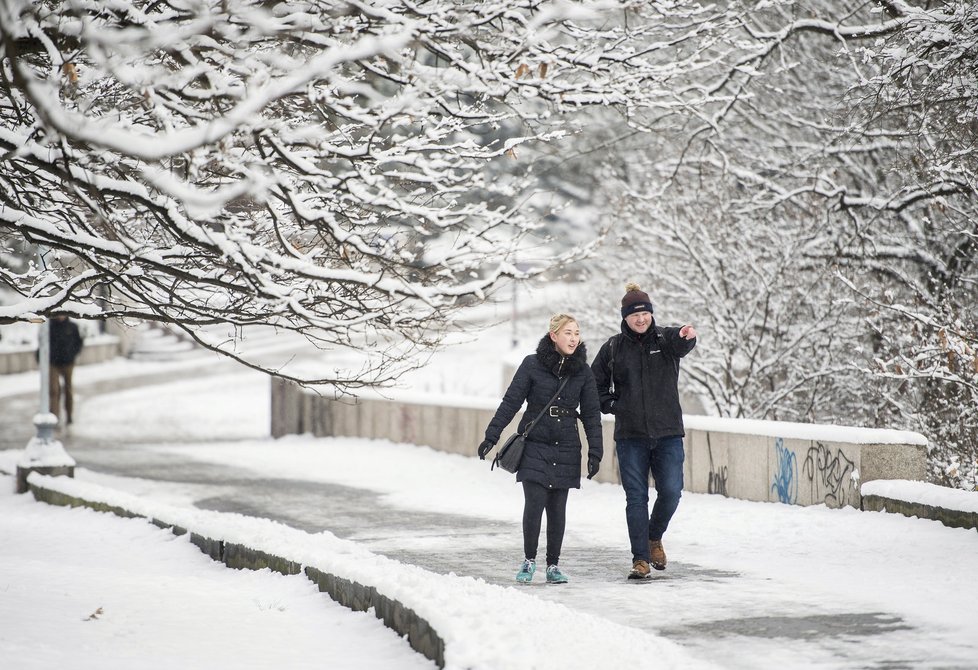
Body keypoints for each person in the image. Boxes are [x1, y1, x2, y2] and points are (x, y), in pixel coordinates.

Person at [478, 314, 603, 585]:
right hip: (534, 443)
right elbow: (511, 402)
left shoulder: (582, 371)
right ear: (553, 336)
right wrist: (492, 436)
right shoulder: (532, 365)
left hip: (567, 446)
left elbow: (592, 414)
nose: (573, 338)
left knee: (558, 509)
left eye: (577, 333)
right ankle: (529, 560)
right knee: (534, 504)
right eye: (567, 332)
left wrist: (596, 452)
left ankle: (553, 565)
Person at [590, 283, 697, 579]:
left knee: (672, 492)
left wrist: (688, 336)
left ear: (651, 314)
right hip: (631, 436)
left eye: (645, 313)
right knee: (636, 497)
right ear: (624, 317)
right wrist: (614, 405)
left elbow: (682, 342)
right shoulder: (613, 347)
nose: (641, 319)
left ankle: (653, 538)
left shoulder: (665, 339)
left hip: (668, 434)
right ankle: (640, 558)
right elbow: (594, 385)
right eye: (634, 315)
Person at [48, 315, 84, 424]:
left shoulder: (72, 326)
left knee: (68, 389)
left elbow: (79, 342)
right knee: (54, 390)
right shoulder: (49, 327)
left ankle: (69, 415)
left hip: (68, 362)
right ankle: (55, 415)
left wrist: (72, 354)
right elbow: (43, 344)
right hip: (53, 362)